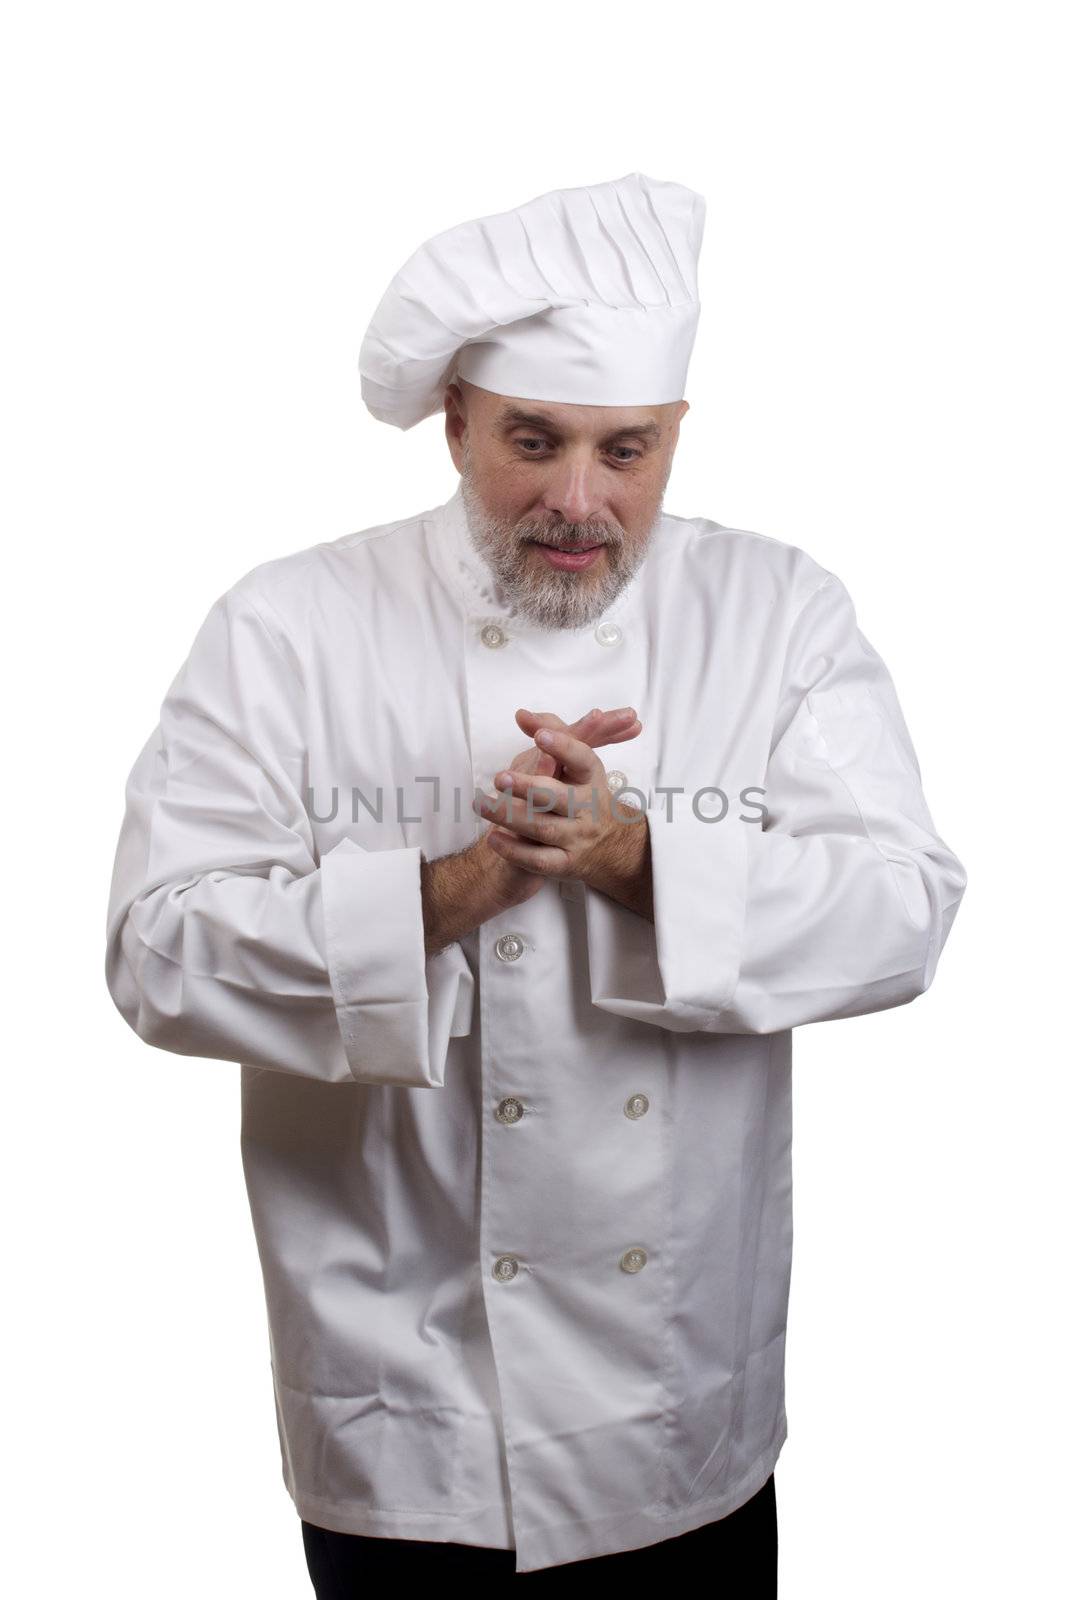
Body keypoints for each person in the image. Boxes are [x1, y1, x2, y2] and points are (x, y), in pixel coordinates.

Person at [104, 171, 967, 1588]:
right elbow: (155, 954)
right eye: (533, 442)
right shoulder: (290, 624)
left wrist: (635, 863)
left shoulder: (777, 613)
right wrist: (458, 889)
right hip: (404, 1400)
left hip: (677, 1404)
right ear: (453, 424)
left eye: (626, 450)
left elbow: (905, 910)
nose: (580, 501)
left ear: (678, 435)